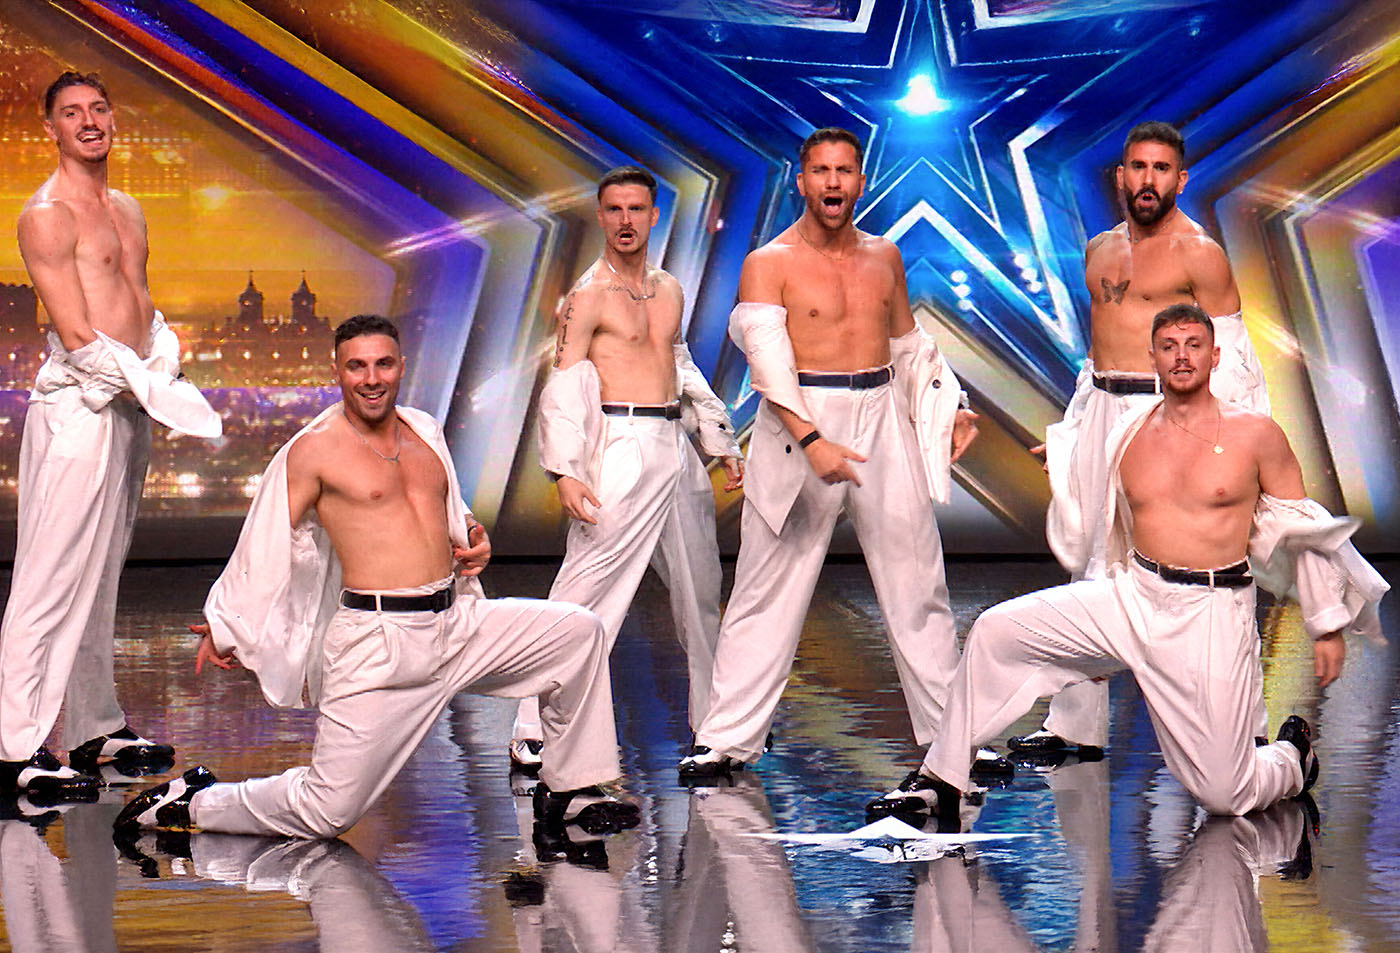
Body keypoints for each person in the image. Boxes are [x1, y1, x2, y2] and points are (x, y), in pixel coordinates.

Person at [113, 316, 638, 839]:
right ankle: (196, 804)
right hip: (378, 642)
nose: (371, 378)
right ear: (337, 371)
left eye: (383, 364)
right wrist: (226, 623)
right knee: (327, 813)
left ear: (401, 367)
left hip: (458, 623)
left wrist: (473, 534)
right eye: (357, 366)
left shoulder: (424, 430)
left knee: (578, 632)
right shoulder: (314, 449)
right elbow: (265, 540)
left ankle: (570, 789)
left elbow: (446, 507)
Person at [867, 304, 1387, 826]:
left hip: (1209, 612)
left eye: (1193, 345)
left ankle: (1292, 759)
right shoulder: (1130, 430)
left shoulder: (1256, 434)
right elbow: (1088, 466)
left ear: (1215, 356)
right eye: (1169, 347)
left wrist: (1326, 625)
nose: (1181, 357)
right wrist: (1062, 453)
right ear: (1153, 358)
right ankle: (942, 777)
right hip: (1133, 595)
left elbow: (1302, 529)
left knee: (1226, 795)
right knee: (996, 630)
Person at [679, 127, 982, 779]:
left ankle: (951, 737)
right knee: (765, 585)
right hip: (801, 417)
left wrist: (949, 405)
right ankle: (726, 738)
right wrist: (813, 440)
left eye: (844, 170)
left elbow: (907, 347)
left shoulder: (883, 256)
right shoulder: (770, 261)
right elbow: (767, 363)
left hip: (880, 413)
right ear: (802, 181)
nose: (833, 182)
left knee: (917, 582)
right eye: (821, 170)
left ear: (860, 181)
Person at [0, 71, 221, 799]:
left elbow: (140, 305)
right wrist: (151, 385)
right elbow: (74, 332)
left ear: (112, 118)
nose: (89, 121)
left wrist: (163, 363)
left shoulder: (127, 208)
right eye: (72, 113)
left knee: (99, 576)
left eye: (98, 108)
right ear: (51, 129)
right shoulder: (46, 216)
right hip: (79, 407)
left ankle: (94, 726)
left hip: (125, 405)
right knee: (49, 578)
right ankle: (13, 748)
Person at [1022, 120, 1272, 759]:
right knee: (1089, 564)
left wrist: (1232, 447)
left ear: (1180, 179)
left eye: (1161, 169)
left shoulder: (1200, 253)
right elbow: (1097, 357)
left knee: (1202, 566)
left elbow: (1234, 358)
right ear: (1120, 176)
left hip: (1168, 412)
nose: (1148, 180)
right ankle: (1072, 728)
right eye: (1138, 166)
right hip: (1105, 411)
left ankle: (1248, 725)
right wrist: (1077, 432)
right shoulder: (1098, 249)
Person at [509, 165, 742, 773]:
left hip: (673, 443)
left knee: (700, 592)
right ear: (600, 216)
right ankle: (533, 726)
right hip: (619, 443)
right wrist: (565, 470)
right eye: (614, 209)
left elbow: (678, 362)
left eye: (636, 209)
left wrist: (717, 437)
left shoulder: (669, 289)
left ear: (654, 215)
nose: (625, 220)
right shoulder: (587, 296)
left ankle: (715, 726)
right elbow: (563, 383)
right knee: (586, 589)